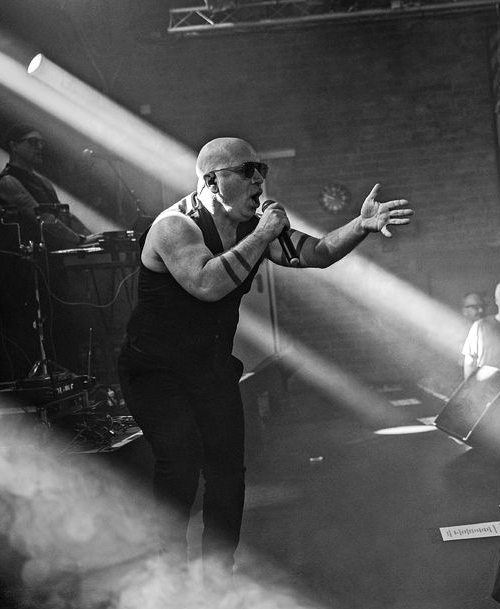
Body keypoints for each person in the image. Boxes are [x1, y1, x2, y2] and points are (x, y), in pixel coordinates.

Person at [117, 137, 412, 577]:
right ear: (212, 181)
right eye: (246, 170)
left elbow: (317, 253)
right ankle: (170, 572)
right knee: (179, 464)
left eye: (261, 170)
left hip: (210, 367)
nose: (259, 179)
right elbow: (206, 284)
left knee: (227, 471)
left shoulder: (253, 226)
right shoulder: (175, 227)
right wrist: (262, 234)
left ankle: (218, 573)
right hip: (156, 371)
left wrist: (360, 225)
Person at [0, 123, 91, 249]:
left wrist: (91, 236)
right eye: (33, 142)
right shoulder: (8, 181)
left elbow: (64, 214)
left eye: (42, 143)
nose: (40, 147)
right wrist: (79, 239)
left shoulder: (43, 181)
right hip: (31, 255)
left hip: (53, 252)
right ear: (14, 146)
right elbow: (41, 217)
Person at [462, 280, 500, 378]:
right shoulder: (479, 326)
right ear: (496, 300)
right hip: (485, 386)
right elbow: (470, 363)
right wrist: (470, 386)